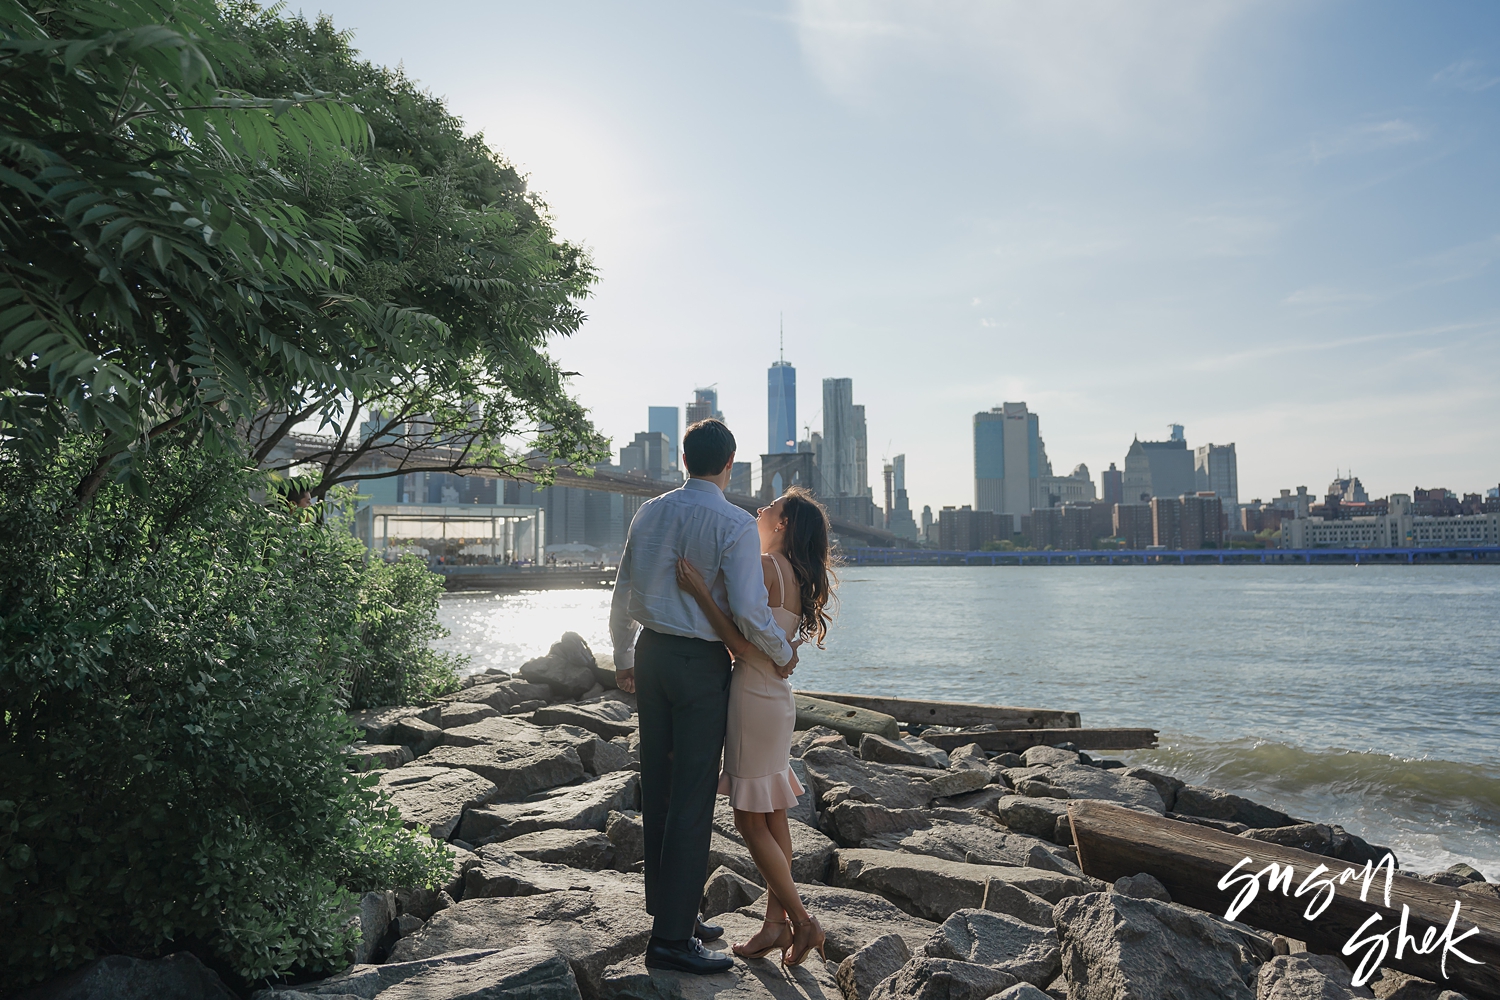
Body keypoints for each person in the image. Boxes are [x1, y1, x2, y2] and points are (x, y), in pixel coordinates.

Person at [609, 418, 800, 975]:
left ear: (684, 461)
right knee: (693, 795)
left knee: (661, 786)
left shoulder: (650, 511)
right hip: (698, 665)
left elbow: (623, 589)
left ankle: (673, 911)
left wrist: (623, 657)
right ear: (730, 463)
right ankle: (670, 941)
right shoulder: (735, 523)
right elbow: (747, 607)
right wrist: (779, 650)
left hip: (653, 655)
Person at [674, 485, 835, 968]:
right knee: (773, 815)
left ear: (782, 524)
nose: (761, 510)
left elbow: (740, 645)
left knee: (748, 818)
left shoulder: (767, 568)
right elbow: (765, 643)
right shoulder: (796, 575)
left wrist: (700, 591)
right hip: (775, 700)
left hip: (753, 697)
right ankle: (774, 925)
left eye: (771, 508)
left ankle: (803, 922)